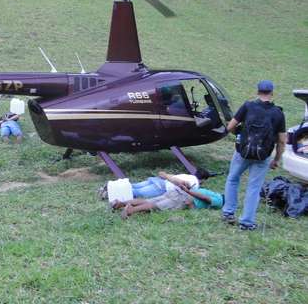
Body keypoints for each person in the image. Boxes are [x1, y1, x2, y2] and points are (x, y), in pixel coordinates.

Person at [221, 80, 286, 231]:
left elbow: (229, 127)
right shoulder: (278, 113)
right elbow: (282, 141)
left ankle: (228, 213)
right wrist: (276, 159)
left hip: (243, 152)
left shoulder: (247, 106)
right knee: (254, 187)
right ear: (272, 93)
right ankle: (246, 222)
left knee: (232, 179)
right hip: (263, 156)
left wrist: (239, 134)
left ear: (258, 92)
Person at [112, 182, 224, 219]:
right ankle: (130, 210)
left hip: (178, 193)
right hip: (184, 198)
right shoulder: (219, 201)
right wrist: (188, 192)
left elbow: (202, 196)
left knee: (149, 201)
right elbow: (204, 198)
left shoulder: (213, 192)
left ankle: (121, 204)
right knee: (156, 205)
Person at [99, 169, 207, 200]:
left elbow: (176, 177)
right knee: (136, 192)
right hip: (162, 187)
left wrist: (165, 175)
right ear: (203, 180)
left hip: (159, 180)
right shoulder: (195, 183)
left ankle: (110, 186)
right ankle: (109, 194)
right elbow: (182, 183)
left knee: (133, 185)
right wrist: (166, 176)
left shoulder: (187, 174)